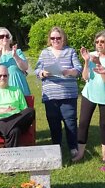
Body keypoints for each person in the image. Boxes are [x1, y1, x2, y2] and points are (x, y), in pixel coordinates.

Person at [34, 26, 82, 159]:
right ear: (49, 39)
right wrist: (43, 73)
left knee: (70, 122)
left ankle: (73, 147)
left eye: (58, 38)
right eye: (53, 38)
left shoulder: (70, 51)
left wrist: (70, 72)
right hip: (51, 94)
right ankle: (56, 148)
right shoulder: (44, 53)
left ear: (63, 38)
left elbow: (78, 68)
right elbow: (37, 70)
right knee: (53, 122)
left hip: (68, 93)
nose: (55, 40)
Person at [72, 30, 105, 162]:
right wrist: (86, 61)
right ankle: (80, 153)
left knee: (104, 124)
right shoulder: (91, 55)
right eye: (97, 42)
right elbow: (85, 77)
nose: (99, 44)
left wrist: (98, 63)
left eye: (102, 41)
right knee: (83, 123)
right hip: (89, 94)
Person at [0, 65, 35, 148]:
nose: (2, 78)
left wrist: (14, 118)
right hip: (0, 120)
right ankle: (10, 158)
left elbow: (24, 110)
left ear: (8, 76)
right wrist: (3, 110)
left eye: (5, 75)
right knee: (14, 131)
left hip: (17, 120)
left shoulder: (16, 90)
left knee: (30, 111)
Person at [0, 27, 31, 96]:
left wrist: (15, 56)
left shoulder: (18, 52)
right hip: (0, 91)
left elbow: (25, 67)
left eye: (7, 36)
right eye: (1, 36)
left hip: (18, 88)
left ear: (10, 39)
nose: (5, 38)